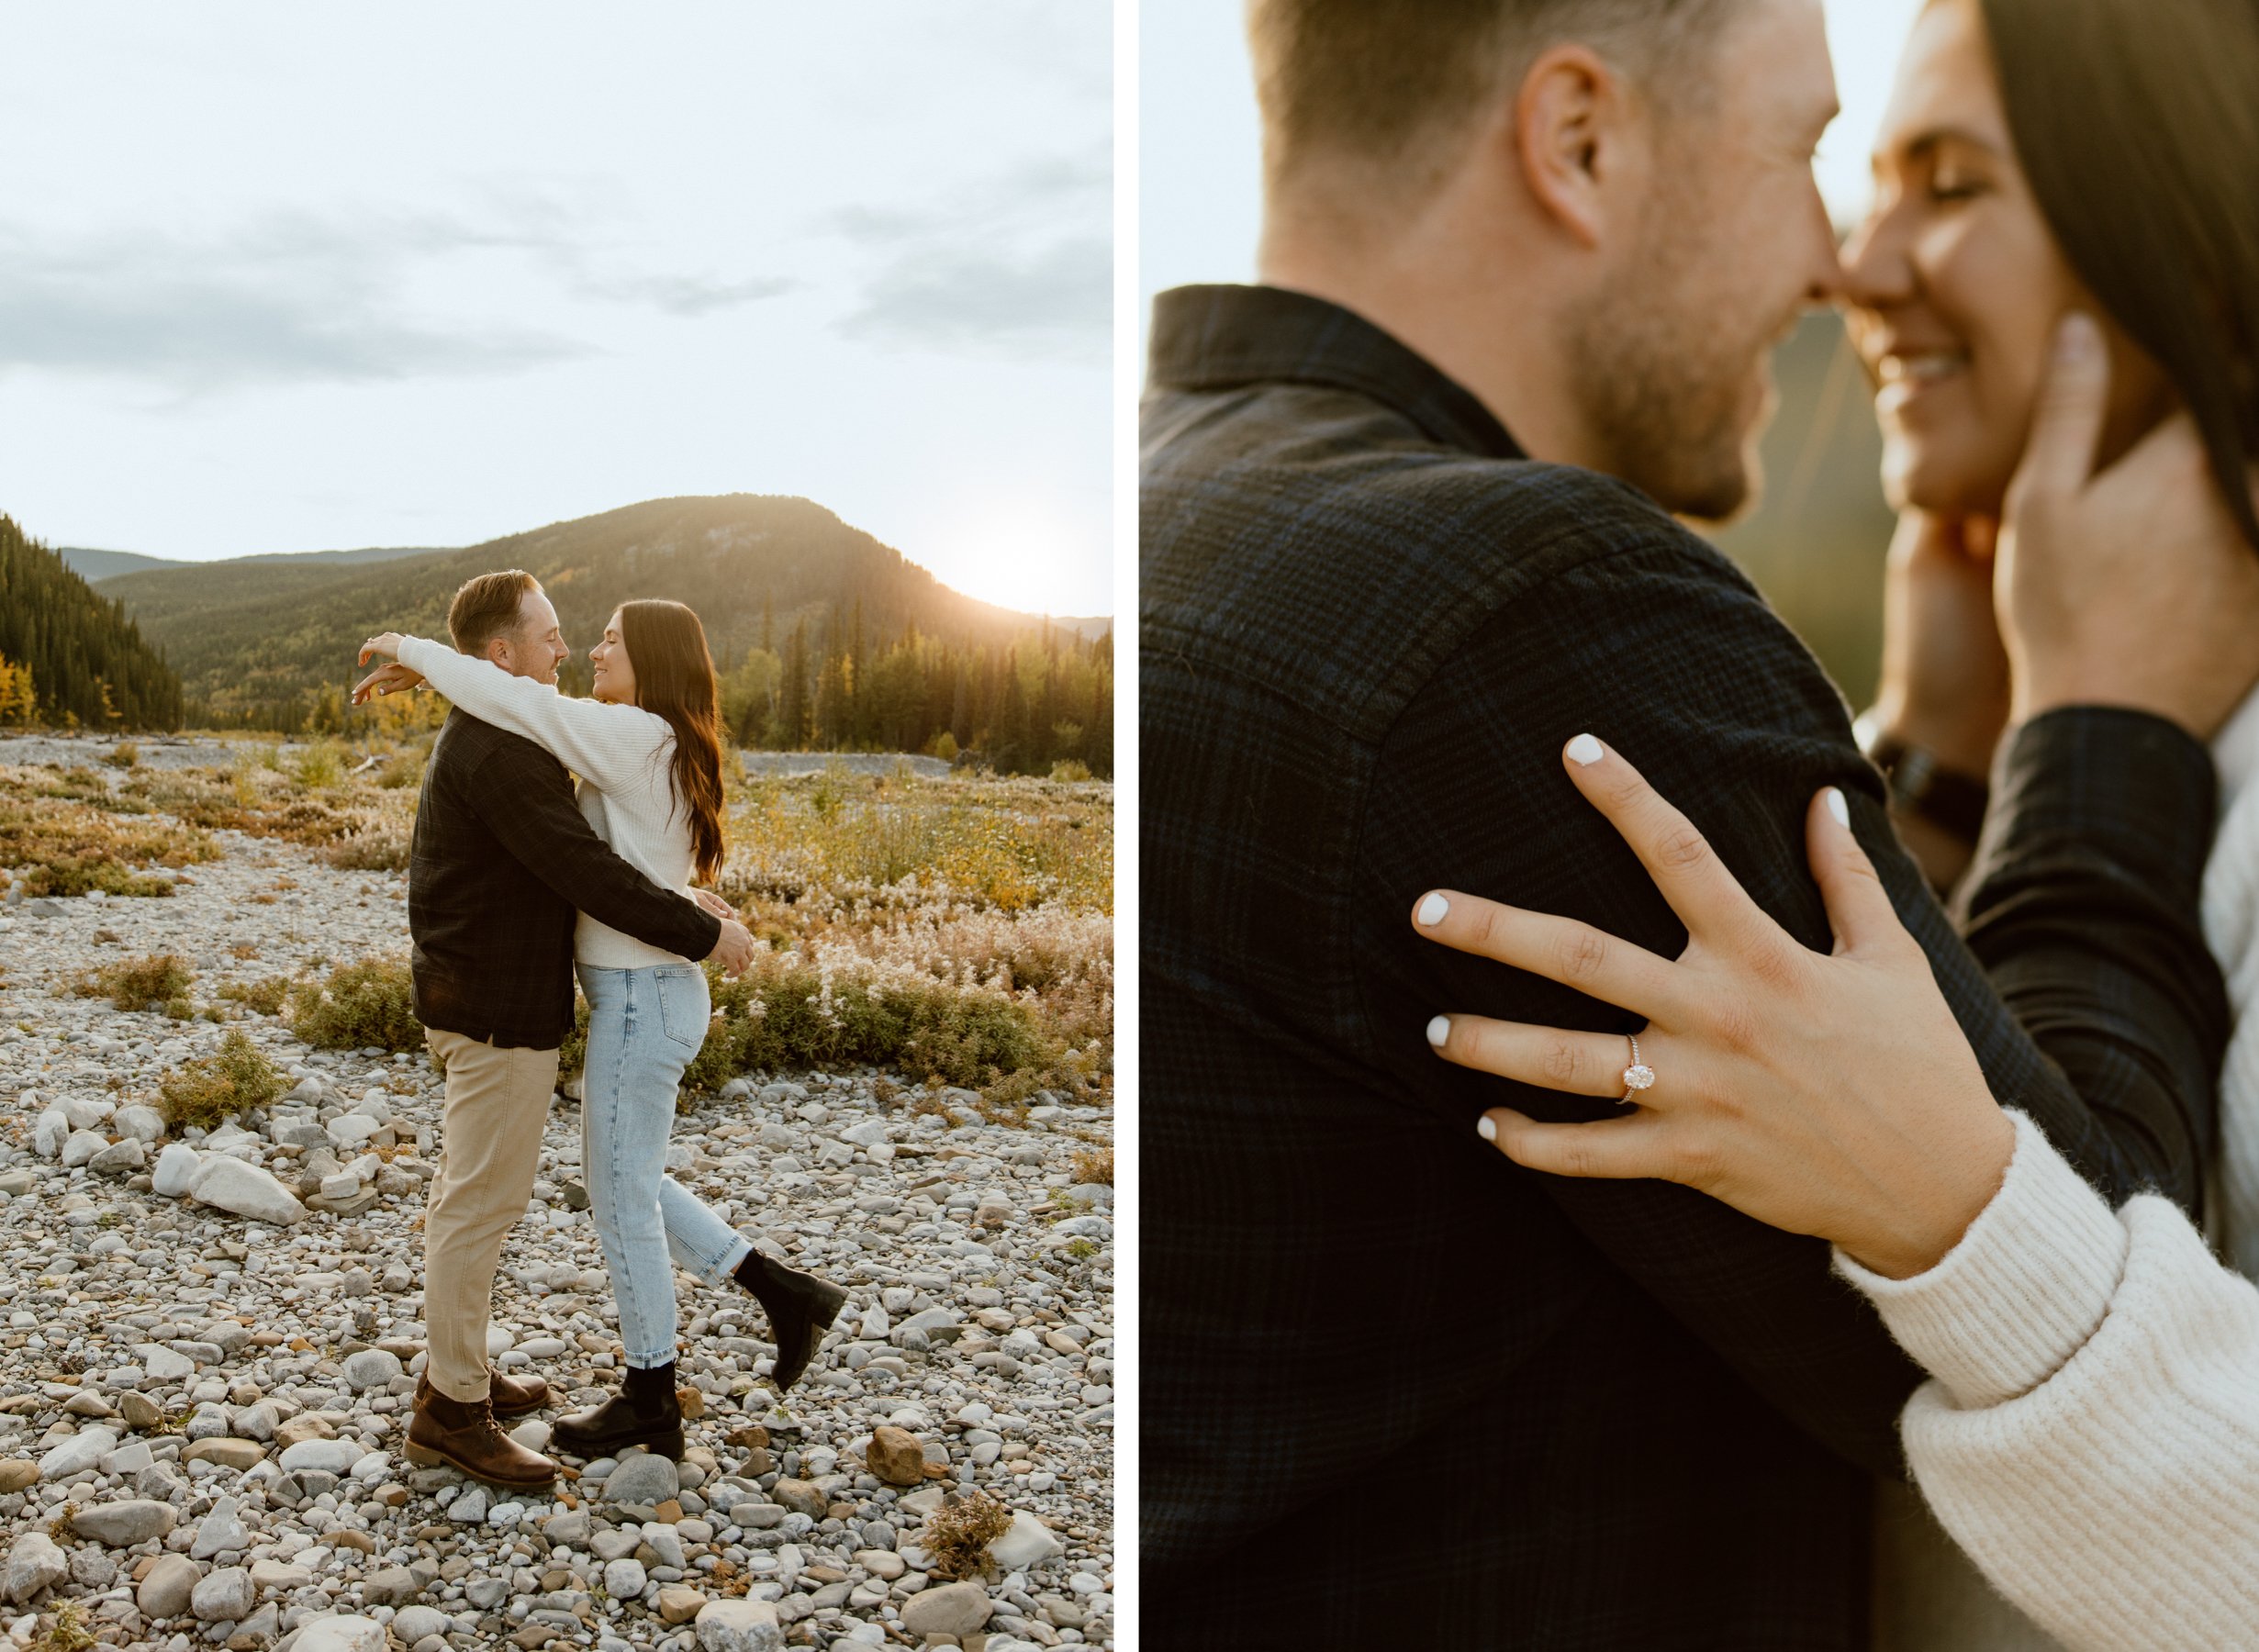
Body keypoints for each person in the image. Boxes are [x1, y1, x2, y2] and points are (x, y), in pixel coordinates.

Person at [1141, 0, 2259, 1643]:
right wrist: (2109, 732)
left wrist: (1938, 778)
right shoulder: (1526, 615)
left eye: (1931, 179)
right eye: (1812, 155)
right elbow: (2062, 1258)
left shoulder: (1188, 504)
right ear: (1578, 141)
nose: (1838, 264)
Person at [357, 596, 850, 1462]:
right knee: (624, 1179)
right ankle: (778, 1290)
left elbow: (531, 723)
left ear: (650, 657)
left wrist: (415, 650)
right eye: (566, 634)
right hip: (633, 993)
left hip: (643, 994)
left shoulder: (630, 734)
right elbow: (607, 844)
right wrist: (688, 903)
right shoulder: (637, 734)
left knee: (619, 1196)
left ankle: (650, 1400)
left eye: (608, 639)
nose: (584, 646)